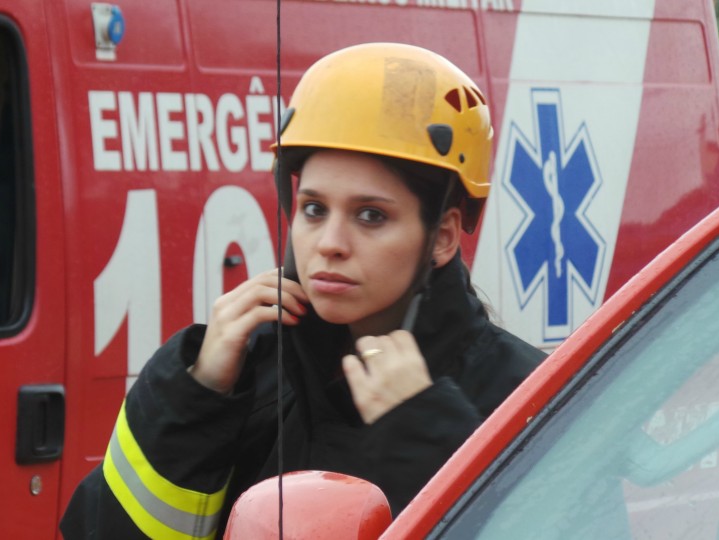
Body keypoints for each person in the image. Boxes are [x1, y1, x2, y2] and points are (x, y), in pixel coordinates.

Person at [60, 43, 545, 539]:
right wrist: (193, 398)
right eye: (314, 209)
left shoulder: (534, 396)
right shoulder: (243, 376)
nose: (329, 244)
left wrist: (426, 436)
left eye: (370, 215)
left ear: (441, 237)